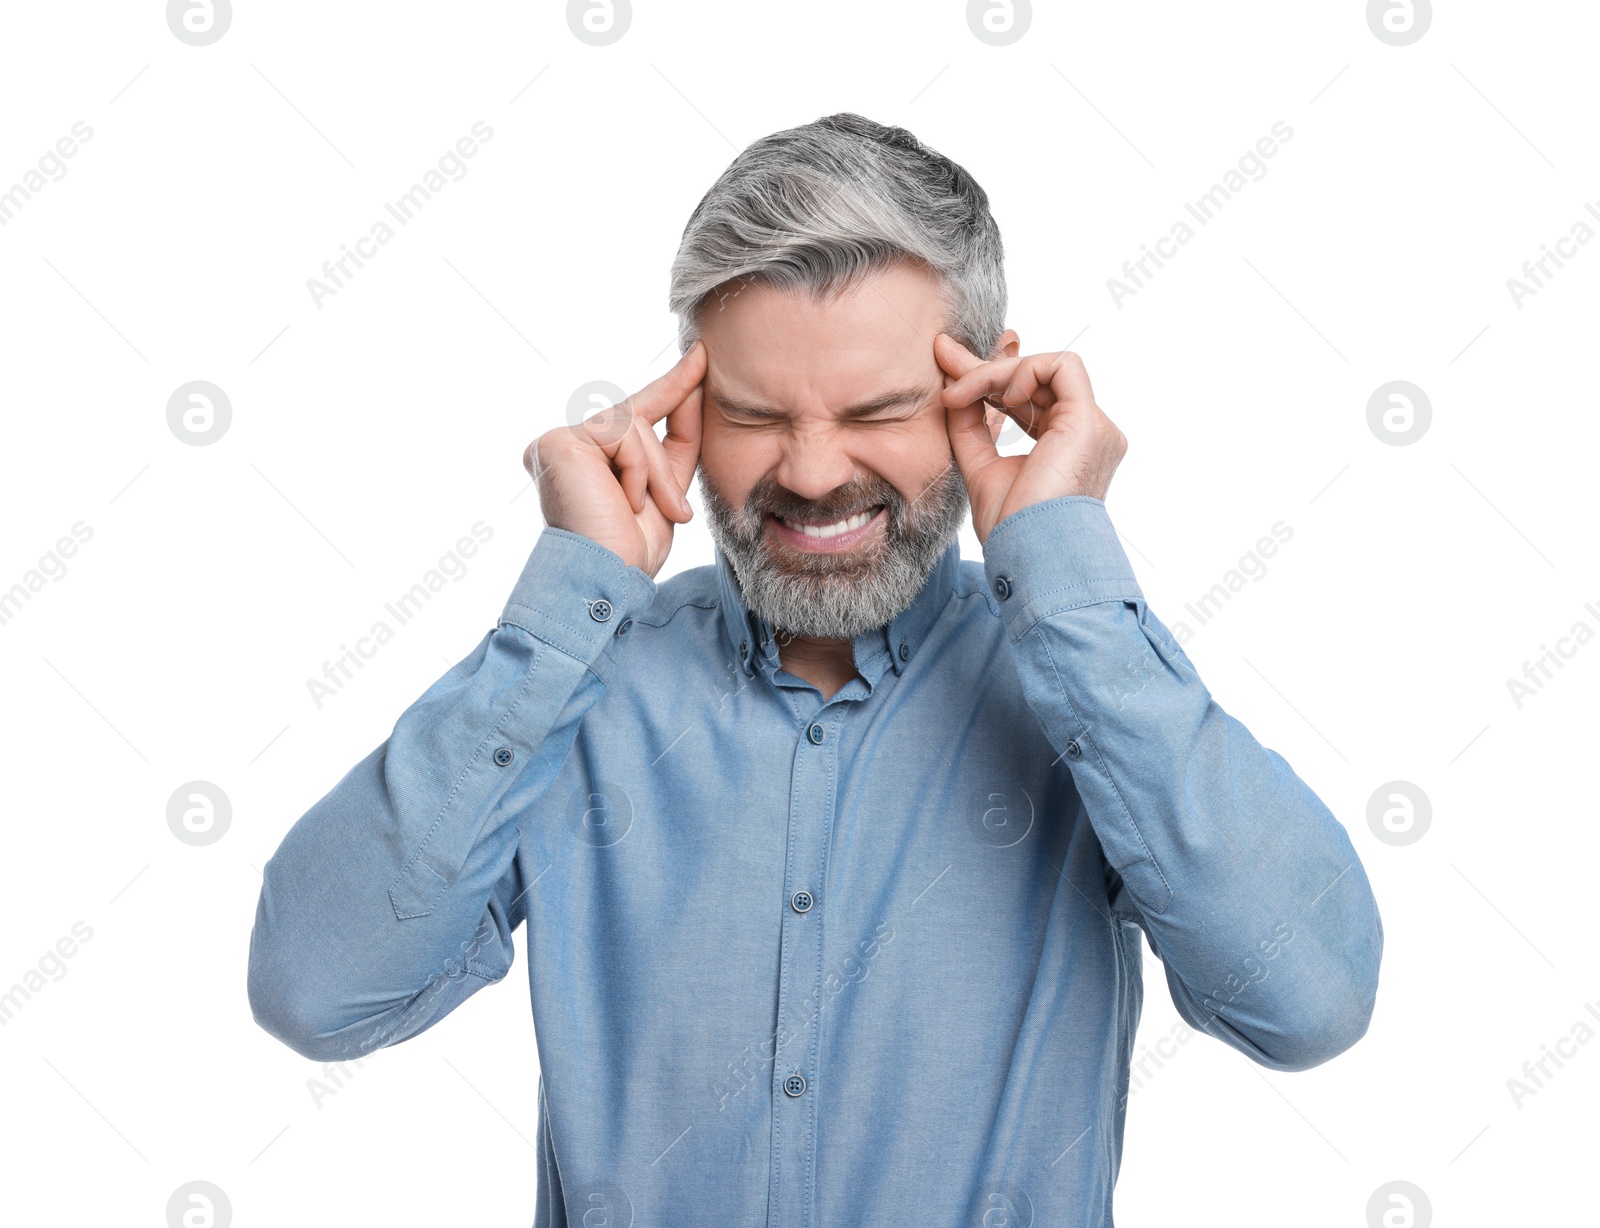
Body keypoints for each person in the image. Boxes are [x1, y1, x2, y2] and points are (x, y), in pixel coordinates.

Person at [248, 112, 1382, 1227]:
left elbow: (1309, 1002)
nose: (809, 470)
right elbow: (316, 992)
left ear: (988, 389)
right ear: (687, 406)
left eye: (878, 410)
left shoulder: (1088, 688)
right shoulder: (576, 686)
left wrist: (1064, 563)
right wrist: (567, 596)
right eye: (751, 414)